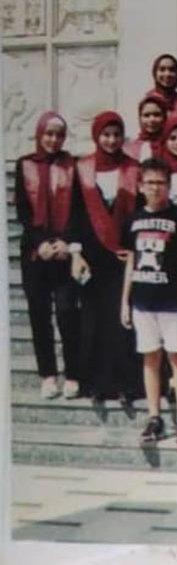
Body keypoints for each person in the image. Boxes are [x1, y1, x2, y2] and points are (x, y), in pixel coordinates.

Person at [120, 159, 177, 447]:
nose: (155, 187)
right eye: (149, 182)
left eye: (161, 182)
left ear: (169, 185)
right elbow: (130, 260)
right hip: (143, 300)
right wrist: (124, 301)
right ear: (140, 186)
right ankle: (154, 417)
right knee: (150, 358)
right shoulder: (133, 219)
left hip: (173, 300)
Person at [67, 112, 141, 402]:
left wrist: (134, 248)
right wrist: (75, 253)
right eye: (105, 134)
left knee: (121, 319)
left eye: (116, 134)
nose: (111, 140)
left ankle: (126, 384)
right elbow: (73, 212)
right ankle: (96, 384)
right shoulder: (82, 168)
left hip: (124, 256)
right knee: (93, 319)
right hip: (92, 256)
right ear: (97, 136)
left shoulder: (133, 168)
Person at [14, 112, 81, 399]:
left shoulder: (73, 166)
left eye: (59, 135)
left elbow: (79, 208)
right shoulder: (25, 164)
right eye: (48, 134)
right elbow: (23, 211)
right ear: (39, 135)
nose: (53, 140)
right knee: (39, 314)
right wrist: (40, 243)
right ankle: (48, 374)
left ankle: (74, 373)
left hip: (64, 252)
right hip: (35, 253)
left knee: (67, 311)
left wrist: (66, 243)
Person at [147, 53, 177, 128]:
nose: (167, 74)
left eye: (172, 70)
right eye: (162, 69)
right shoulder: (148, 103)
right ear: (155, 73)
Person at [124, 96, 168, 162]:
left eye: (157, 114)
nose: (152, 119)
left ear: (164, 117)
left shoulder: (173, 145)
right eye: (146, 115)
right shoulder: (132, 148)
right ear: (140, 118)